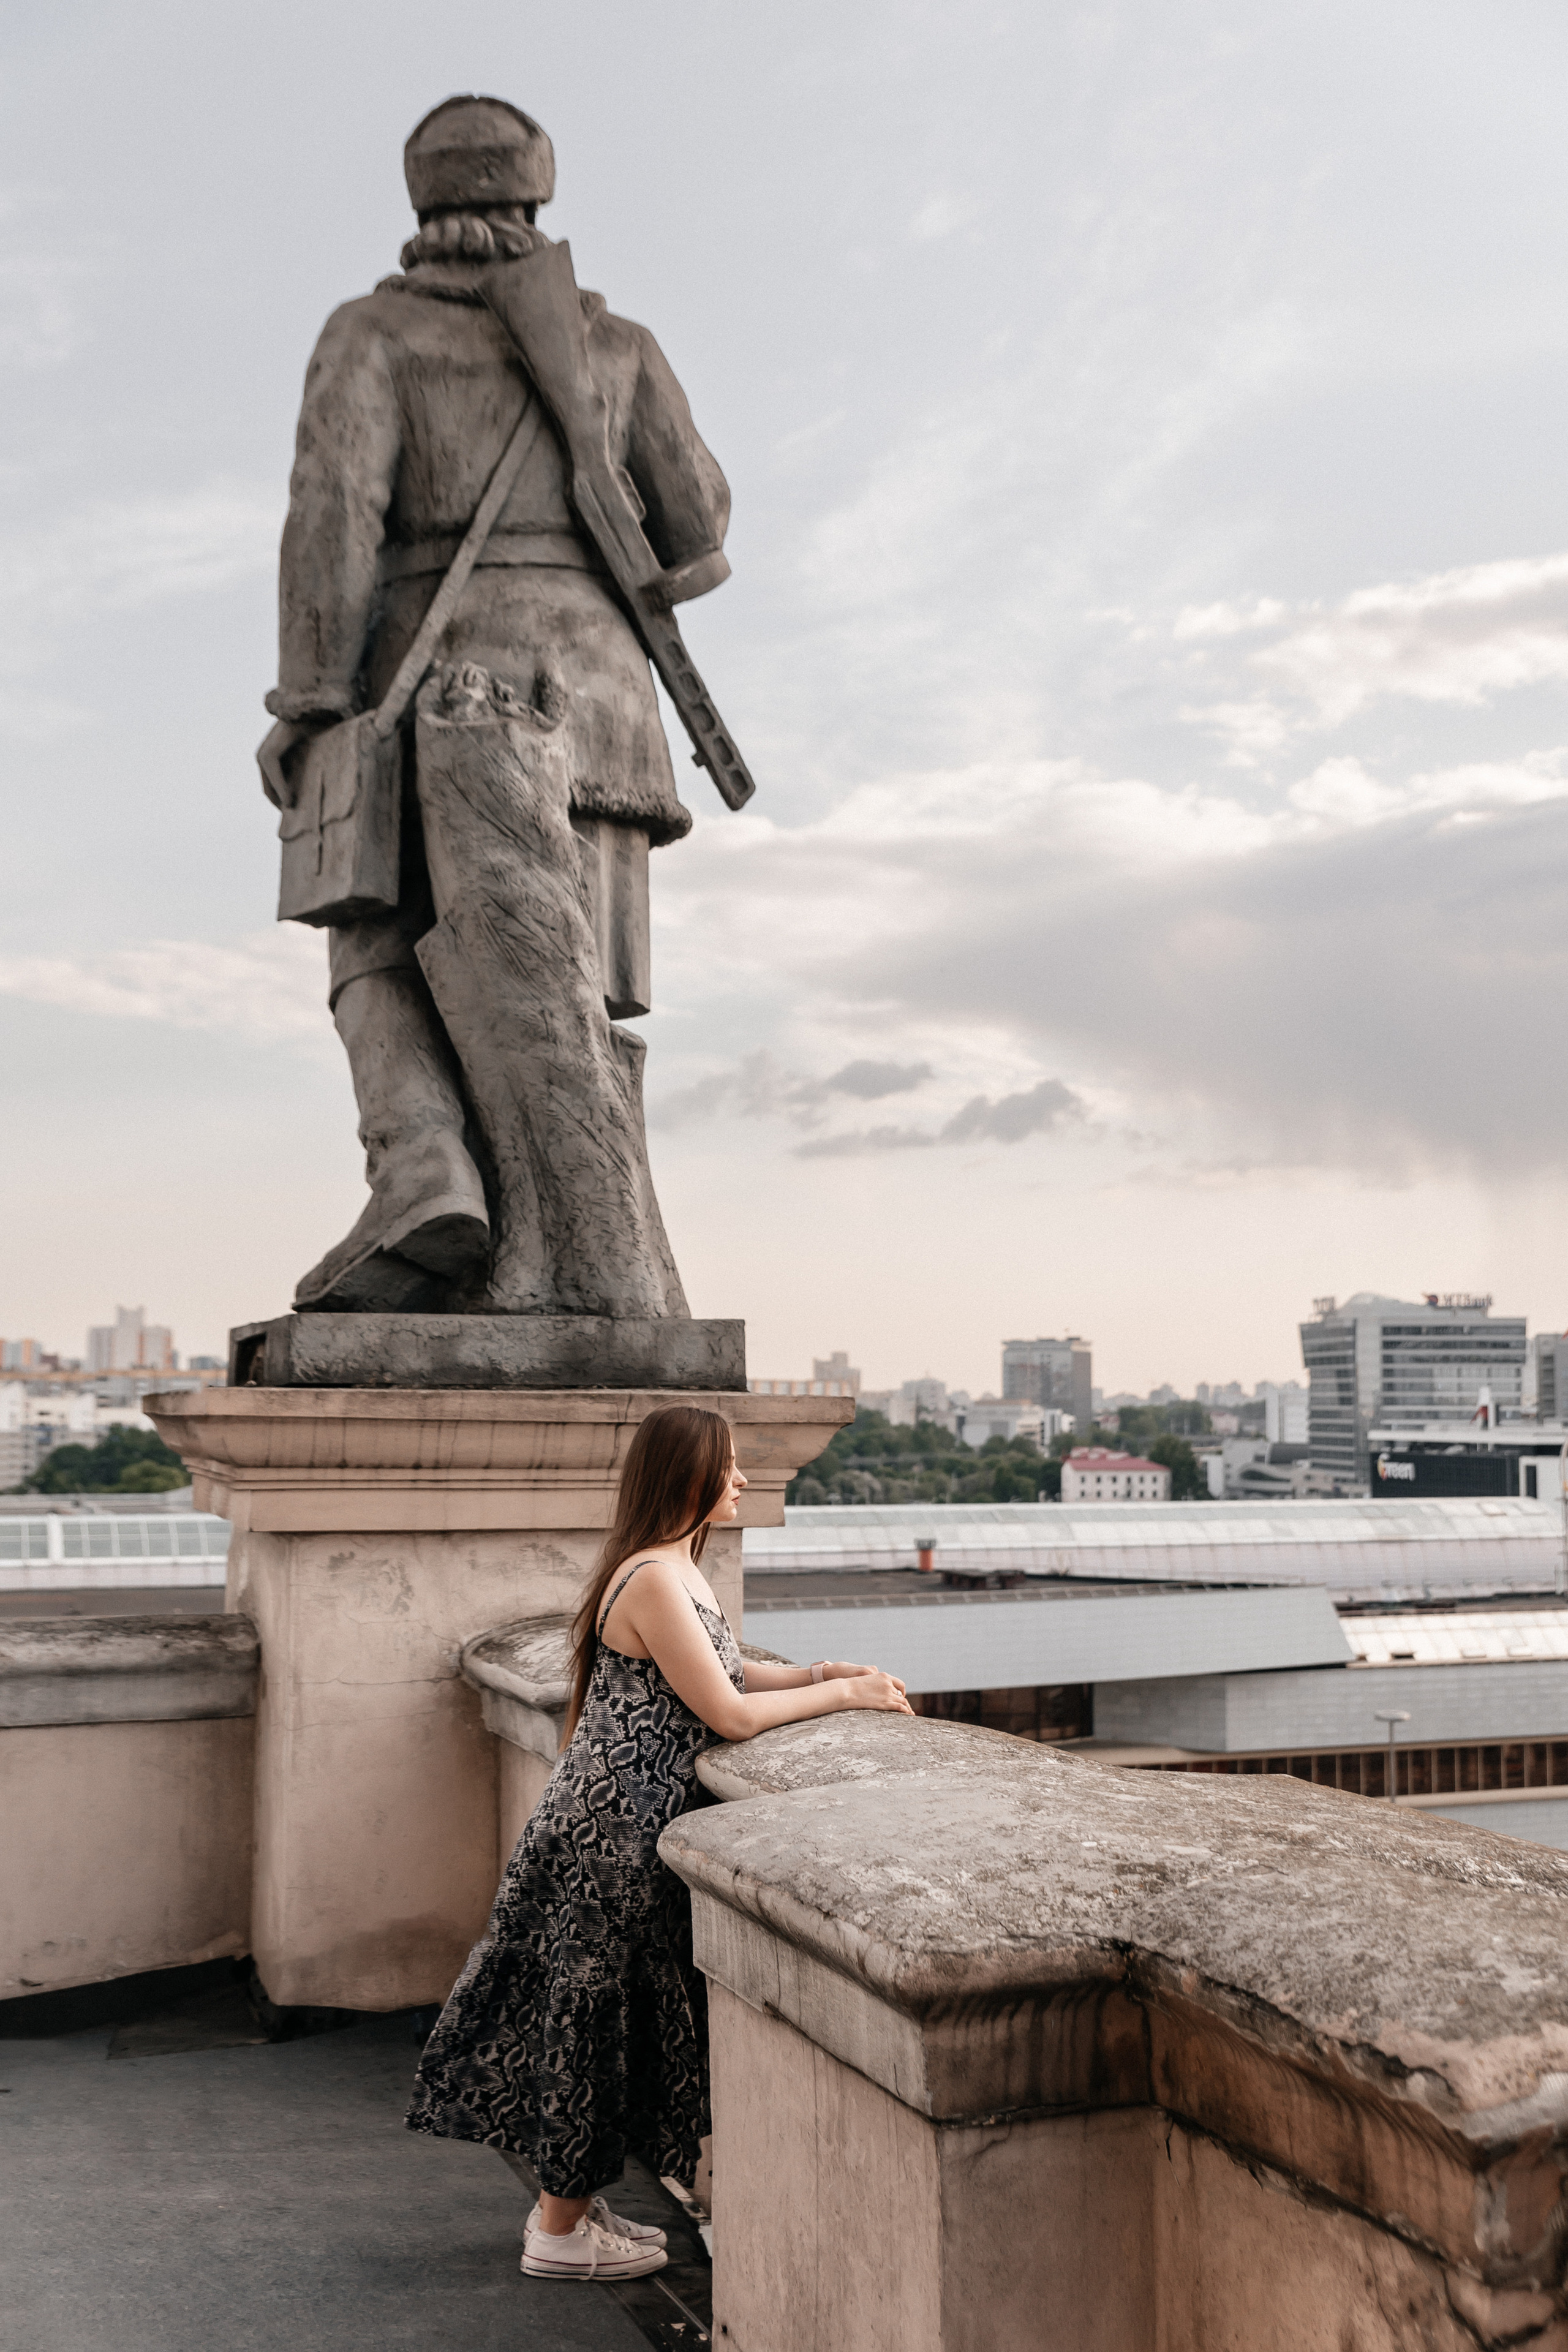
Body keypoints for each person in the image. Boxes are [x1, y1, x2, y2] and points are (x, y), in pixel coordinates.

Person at [258, 94, 733, 1314]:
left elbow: (333, 521)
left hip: (432, 691)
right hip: (599, 716)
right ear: (536, 199)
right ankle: (527, 1231)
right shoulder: (617, 345)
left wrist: (310, 704)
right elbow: (701, 526)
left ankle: (421, 1163)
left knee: (370, 932)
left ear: (424, 206)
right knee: (562, 988)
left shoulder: (372, 334)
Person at [405, 1403, 913, 2282]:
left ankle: (569, 2210)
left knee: (609, 2021)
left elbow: (726, 1670)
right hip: (613, 1833)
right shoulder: (650, 1577)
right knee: (595, 2026)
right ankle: (557, 2233)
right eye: (729, 1466)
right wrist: (844, 1702)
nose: (743, 1479)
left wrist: (825, 1671)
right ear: (687, 1475)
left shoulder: (672, 1569)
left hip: (621, 1825)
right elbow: (729, 1712)